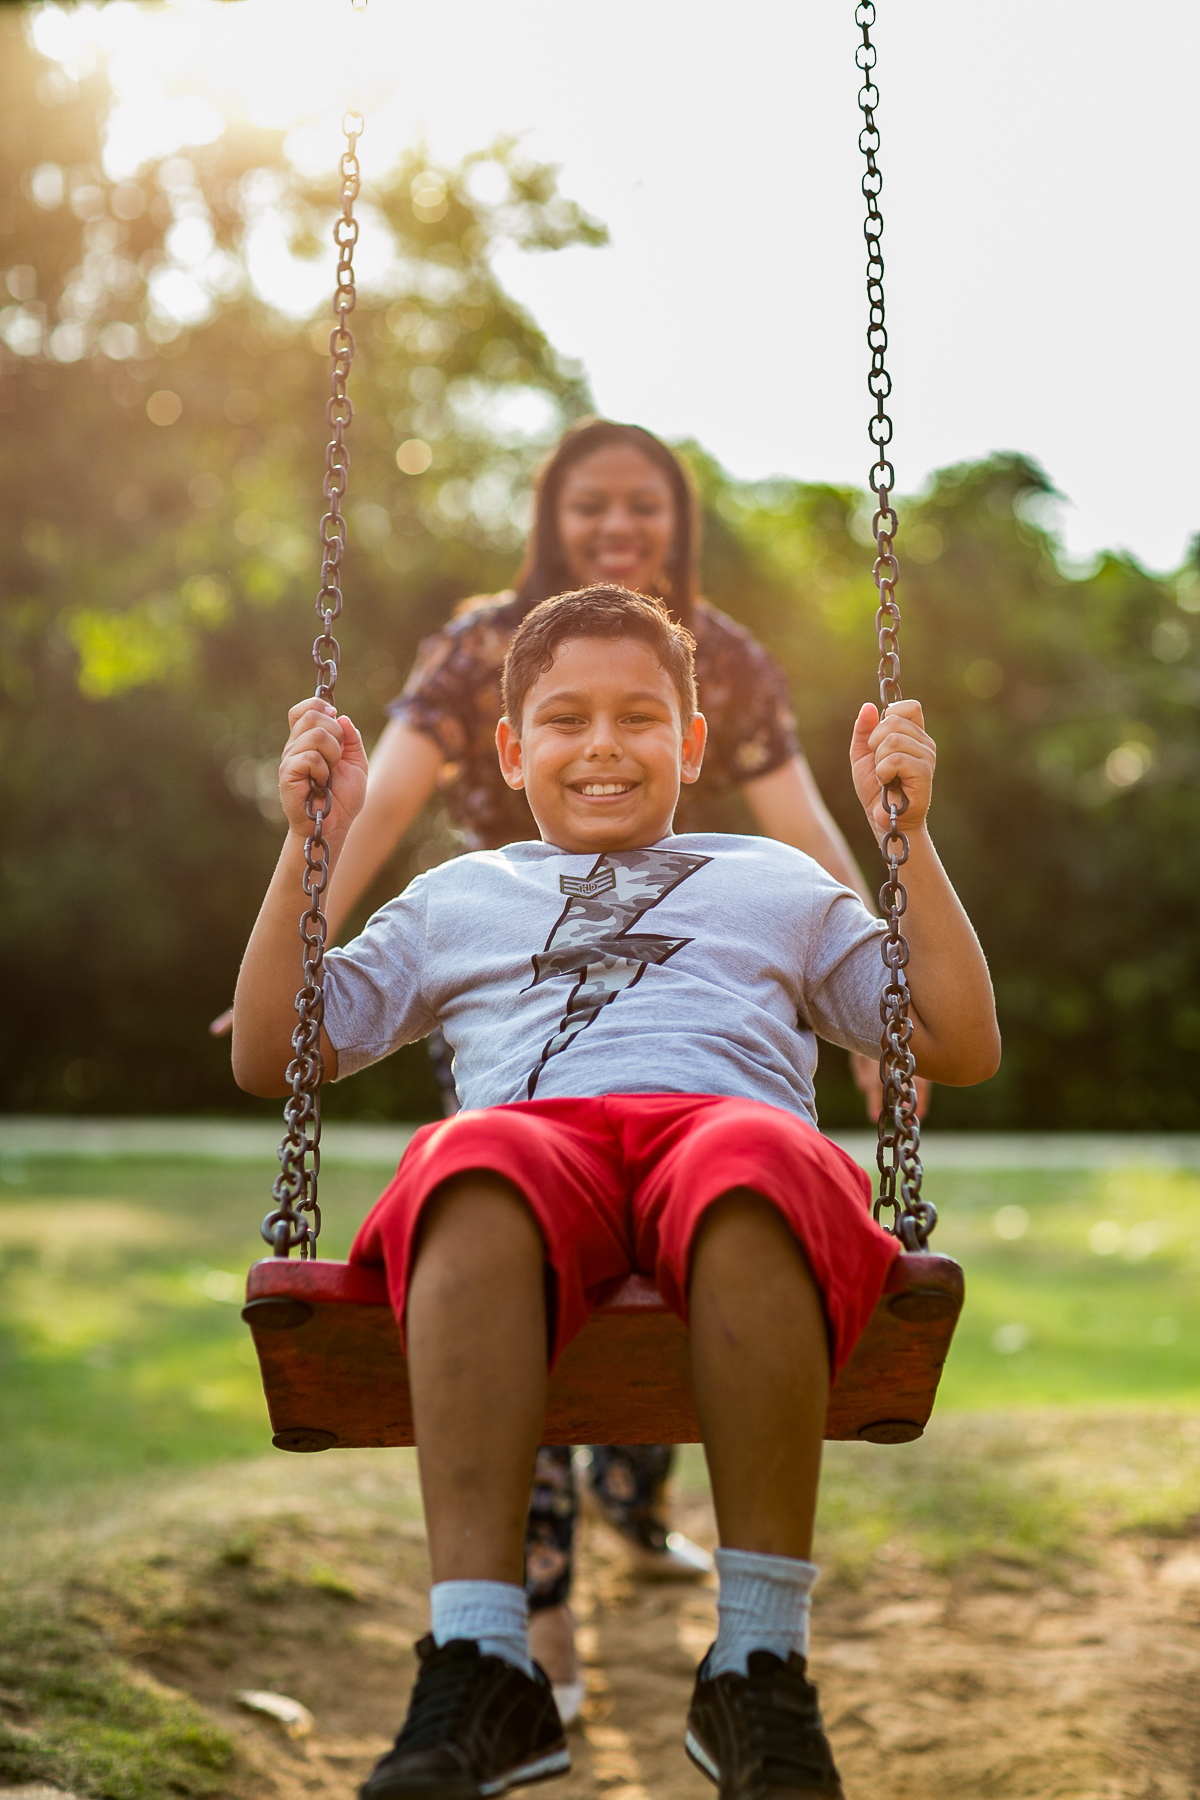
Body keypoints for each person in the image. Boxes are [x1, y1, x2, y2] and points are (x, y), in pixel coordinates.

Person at [232, 585, 999, 1800]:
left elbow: (955, 1040)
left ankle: (759, 1665)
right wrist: (305, 844)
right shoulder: (458, 896)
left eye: (641, 717)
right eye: (564, 719)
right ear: (509, 749)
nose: (602, 746)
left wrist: (906, 837)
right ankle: (485, 1659)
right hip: (534, 1151)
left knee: (758, 1169)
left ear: (693, 744)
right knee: (464, 1161)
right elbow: (274, 1051)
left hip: (725, 1138)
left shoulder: (775, 880)